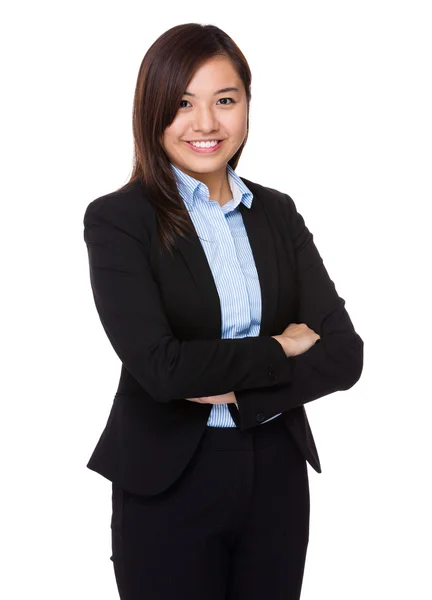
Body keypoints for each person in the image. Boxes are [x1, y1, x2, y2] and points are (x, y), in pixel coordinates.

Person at [83, 22, 364, 600]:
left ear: (246, 107)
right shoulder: (119, 221)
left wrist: (230, 386)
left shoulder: (277, 213)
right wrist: (280, 349)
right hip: (167, 480)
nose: (206, 123)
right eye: (183, 103)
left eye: (225, 100)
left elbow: (344, 355)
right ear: (152, 110)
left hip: (275, 475)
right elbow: (161, 370)